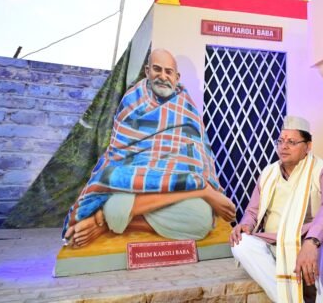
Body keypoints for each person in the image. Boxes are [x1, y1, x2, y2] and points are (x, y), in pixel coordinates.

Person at [63, 48, 236, 247]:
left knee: (201, 219)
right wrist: (202, 190)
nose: (163, 76)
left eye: (168, 72)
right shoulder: (132, 101)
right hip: (136, 184)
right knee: (116, 201)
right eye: (157, 69)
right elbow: (120, 153)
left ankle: (106, 223)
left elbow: (198, 153)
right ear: (147, 71)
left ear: (177, 77)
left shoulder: (187, 107)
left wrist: (191, 184)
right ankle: (195, 192)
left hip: (174, 183)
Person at [230, 116, 323, 302]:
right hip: (275, 241)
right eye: (281, 141)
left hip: (310, 240)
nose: (283, 147)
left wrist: (312, 241)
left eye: (291, 142)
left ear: (308, 146)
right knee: (240, 243)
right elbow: (252, 212)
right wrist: (246, 225)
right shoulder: (268, 173)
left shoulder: (322, 170)